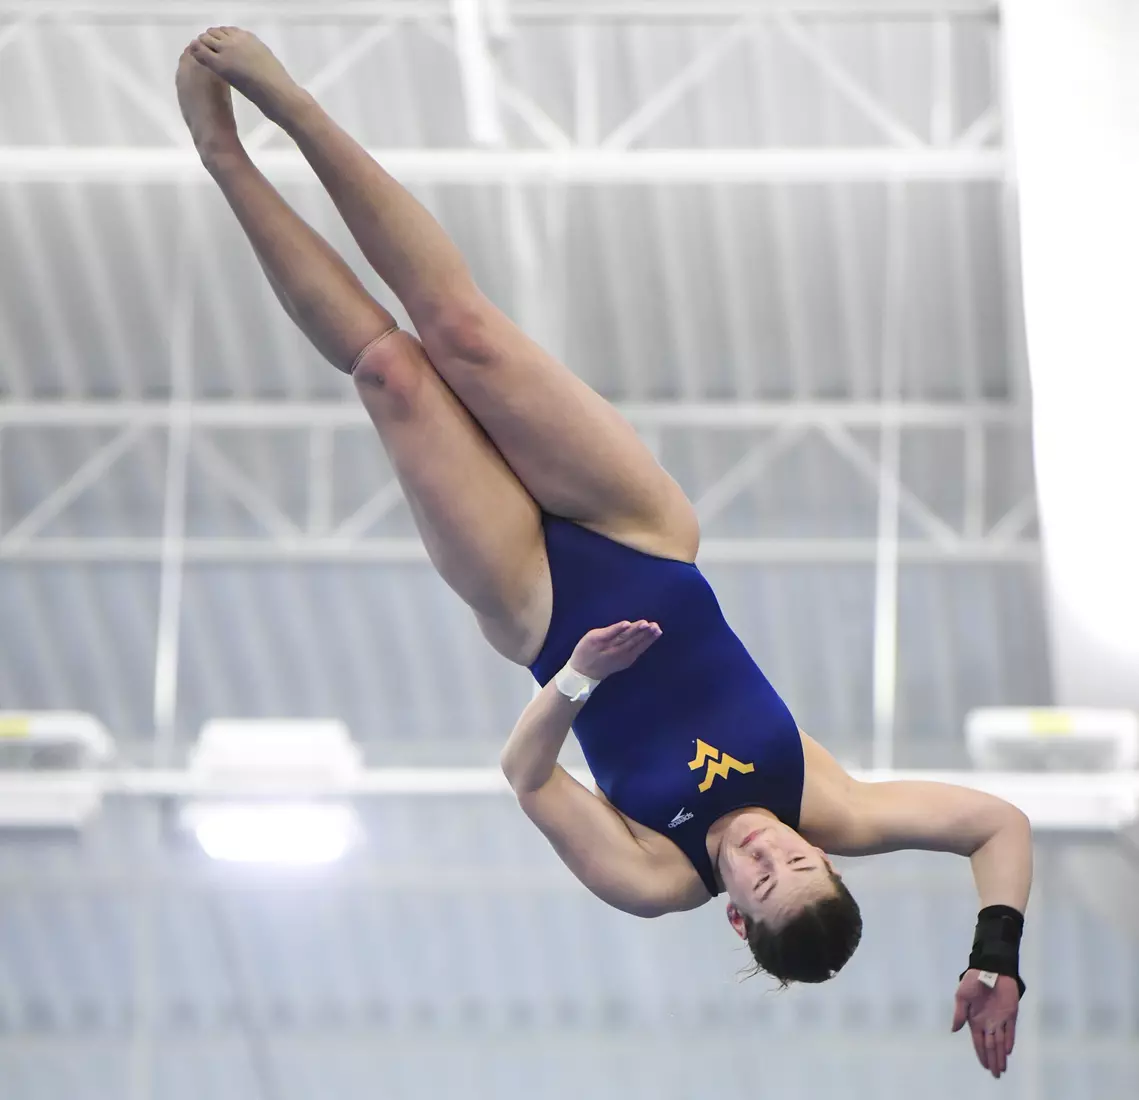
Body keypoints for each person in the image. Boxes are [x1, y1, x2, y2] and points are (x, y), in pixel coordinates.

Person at [176, 28, 1032, 1079]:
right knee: (460, 330)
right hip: (643, 535)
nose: (770, 851)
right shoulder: (831, 800)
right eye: (799, 859)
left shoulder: (656, 876)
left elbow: (526, 774)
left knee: (392, 371)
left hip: (534, 606)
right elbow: (995, 821)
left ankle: (224, 160)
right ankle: (295, 107)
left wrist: (580, 673)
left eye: (763, 880)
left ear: (735, 919)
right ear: (824, 853)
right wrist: (998, 952)